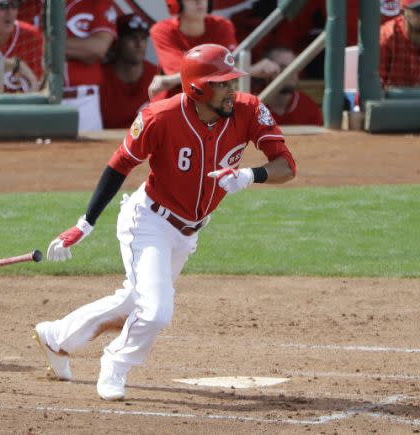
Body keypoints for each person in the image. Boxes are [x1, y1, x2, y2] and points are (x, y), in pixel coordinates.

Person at [32, 43, 296, 401]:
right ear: (198, 88)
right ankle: (115, 364)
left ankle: (56, 337)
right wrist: (85, 223)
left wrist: (251, 175)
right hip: (148, 222)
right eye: (222, 83)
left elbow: (286, 166)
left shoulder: (248, 110)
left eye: (233, 81)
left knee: (132, 303)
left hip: (188, 233)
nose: (232, 89)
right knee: (155, 312)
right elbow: (119, 165)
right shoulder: (161, 117)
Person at [148, 0, 280, 100]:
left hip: (214, 103)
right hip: (176, 102)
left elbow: (229, 68)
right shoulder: (162, 30)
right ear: (176, 3)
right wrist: (252, 70)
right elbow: (189, 76)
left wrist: (170, 80)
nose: (199, 2)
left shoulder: (222, 25)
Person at [61, 0, 117, 132]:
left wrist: (47, 45)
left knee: (88, 150)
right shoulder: (33, 5)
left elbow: (98, 48)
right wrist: (78, 49)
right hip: (42, 99)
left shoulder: (97, 3)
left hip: (83, 100)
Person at [99, 13, 157, 129]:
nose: (139, 44)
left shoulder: (156, 75)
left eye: (143, 38)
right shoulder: (100, 77)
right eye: (132, 38)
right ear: (117, 42)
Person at [259, 46, 322, 125]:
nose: (290, 73)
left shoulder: (308, 106)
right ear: (265, 71)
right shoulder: (253, 104)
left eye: (293, 67)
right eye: (282, 68)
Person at [379, 0, 420, 88]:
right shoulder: (386, 35)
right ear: (403, 11)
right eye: (418, 10)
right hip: (395, 101)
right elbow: (376, 87)